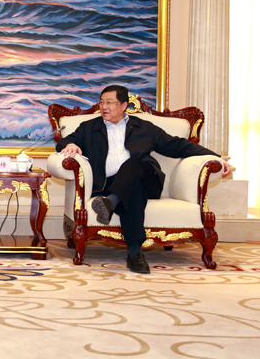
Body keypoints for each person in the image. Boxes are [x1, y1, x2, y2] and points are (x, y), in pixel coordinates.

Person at [56, 85, 231, 274]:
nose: (103, 107)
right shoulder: (89, 127)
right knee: (133, 191)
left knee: (133, 164)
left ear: (124, 105)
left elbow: (177, 145)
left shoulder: (144, 127)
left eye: (109, 102)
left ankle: (110, 203)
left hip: (148, 180)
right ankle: (134, 252)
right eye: (101, 102)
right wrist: (71, 144)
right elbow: (62, 142)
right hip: (110, 185)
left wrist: (215, 157)